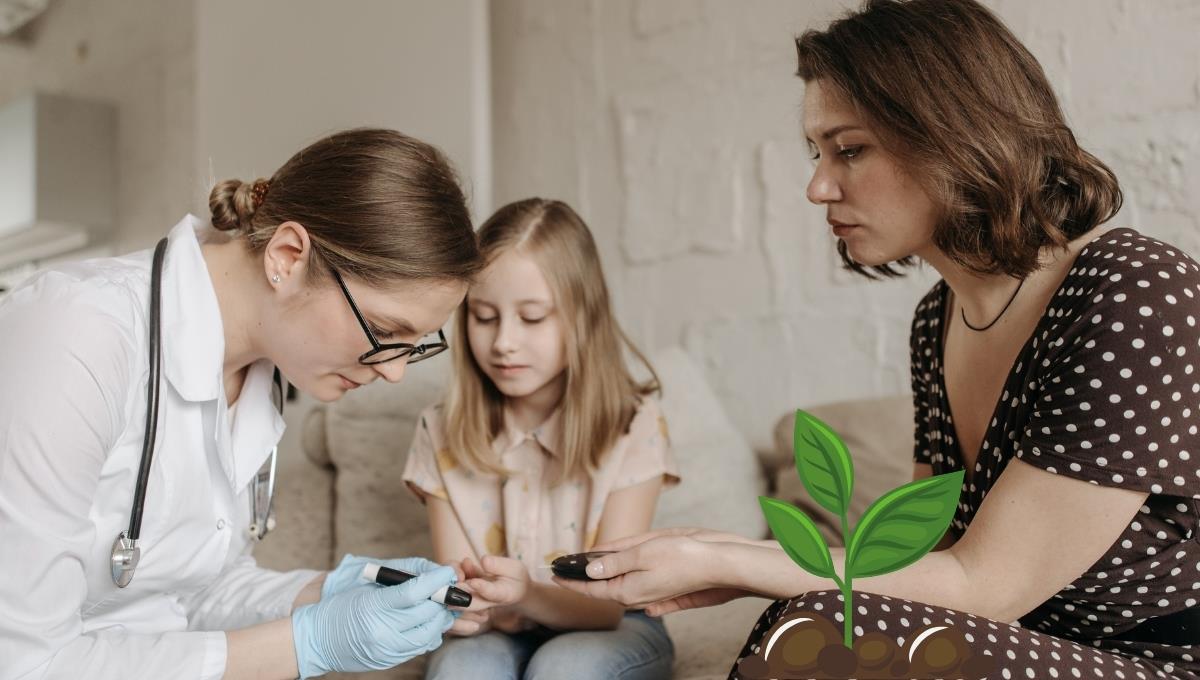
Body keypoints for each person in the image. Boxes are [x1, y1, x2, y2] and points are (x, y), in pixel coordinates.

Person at [554, 1, 1200, 678]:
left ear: (955, 133)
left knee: (835, 638)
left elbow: (989, 586)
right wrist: (725, 552)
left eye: (850, 149)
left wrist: (738, 561)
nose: (817, 186)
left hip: (1149, 662)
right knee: (809, 622)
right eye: (817, 152)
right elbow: (926, 554)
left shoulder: (1135, 295)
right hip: (1016, 649)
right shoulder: (937, 319)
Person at [0, 128, 484, 680]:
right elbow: (23, 662)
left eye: (414, 346)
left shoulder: (258, 375)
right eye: (382, 331)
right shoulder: (76, 334)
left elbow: (191, 592)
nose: (394, 371)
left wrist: (325, 591)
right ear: (287, 255)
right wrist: (309, 643)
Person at [400, 198, 679, 679]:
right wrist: (459, 609)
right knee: (460, 673)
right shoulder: (439, 428)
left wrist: (526, 594)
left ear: (583, 318)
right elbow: (459, 590)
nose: (504, 341)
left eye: (531, 318)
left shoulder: (632, 424)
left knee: (564, 669)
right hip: (496, 632)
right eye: (484, 316)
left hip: (612, 625)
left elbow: (608, 605)